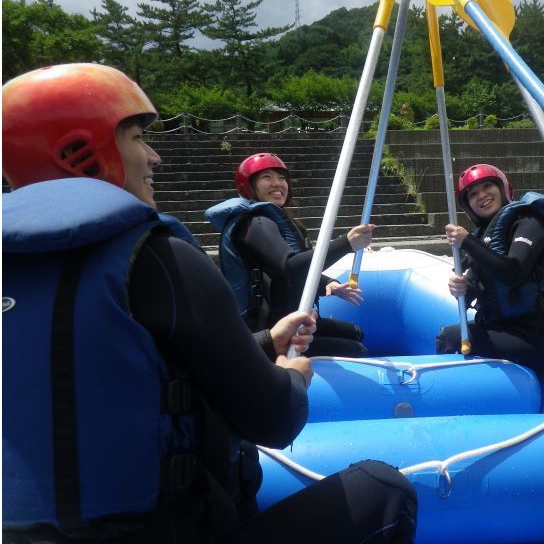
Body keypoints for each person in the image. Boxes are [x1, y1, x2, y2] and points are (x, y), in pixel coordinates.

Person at [2, 63, 418, 543]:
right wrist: (290, 376)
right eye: (138, 138)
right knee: (384, 489)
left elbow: (107, 371)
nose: (154, 156)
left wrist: (265, 340)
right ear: (78, 152)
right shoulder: (159, 257)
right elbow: (275, 419)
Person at [205, 153, 374, 358]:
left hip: (291, 316)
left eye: (282, 178)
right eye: (266, 177)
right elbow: (290, 267)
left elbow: (278, 273)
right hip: (269, 329)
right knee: (357, 350)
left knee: (356, 333)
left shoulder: (271, 221)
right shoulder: (254, 224)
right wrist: (345, 244)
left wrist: (327, 284)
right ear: (250, 186)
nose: (277, 183)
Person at [436, 164, 544, 373]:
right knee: (449, 333)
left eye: (487, 186)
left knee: (449, 339)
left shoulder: (529, 221)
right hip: (503, 327)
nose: (481, 195)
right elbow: (478, 289)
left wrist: (468, 242)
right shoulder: (482, 238)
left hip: (538, 336)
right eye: (473, 194)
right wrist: (460, 287)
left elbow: (513, 272)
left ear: (503, 188)